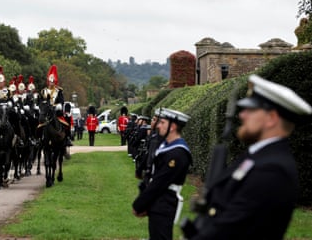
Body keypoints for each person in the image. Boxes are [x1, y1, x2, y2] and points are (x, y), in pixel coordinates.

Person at [186, 74, 312, 240]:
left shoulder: (272, 170)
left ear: (271, 118)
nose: (242, 115)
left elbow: (233, 228)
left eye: (251, 110)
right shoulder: (258, 157)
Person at [132, 107, 192, 240]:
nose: (158, 125)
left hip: (165, 202)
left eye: (163, 123)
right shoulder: (165, 146)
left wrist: (140, 204)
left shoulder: (178, 153)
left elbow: (159, 182)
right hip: (158, 201)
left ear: (173, 126)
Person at [40, 65, 72, 146]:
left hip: (56, 112)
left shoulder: (59, 91)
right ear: (48, 81)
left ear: (55, 82)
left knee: (67, 121)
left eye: (53, 82)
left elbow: (62, 101)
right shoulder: (43, 91)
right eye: (50, 81)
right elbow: (41, 101)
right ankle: (38, 138)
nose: (51, 83)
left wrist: (59, 105)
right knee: (38, 124)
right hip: (46, 112)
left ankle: (67, 138)